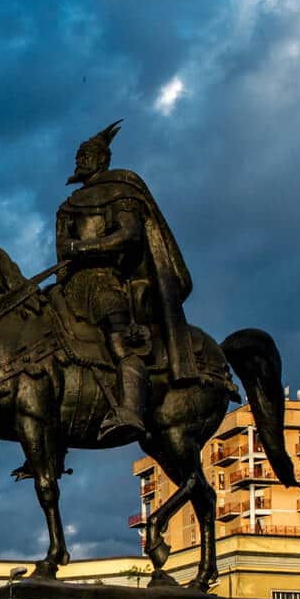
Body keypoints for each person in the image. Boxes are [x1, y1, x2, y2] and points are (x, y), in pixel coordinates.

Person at [54, 119, 196, 444]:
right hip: (72, 284)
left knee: (119, 337)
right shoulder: (68, 205)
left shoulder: (121, 193)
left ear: (102, 158)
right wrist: (73, 257)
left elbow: (129, 236)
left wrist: (85, 248)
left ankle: (130, 408)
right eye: (79, 154)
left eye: (87, 154)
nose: (81, 159)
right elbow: (62, 248)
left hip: (108, 281)